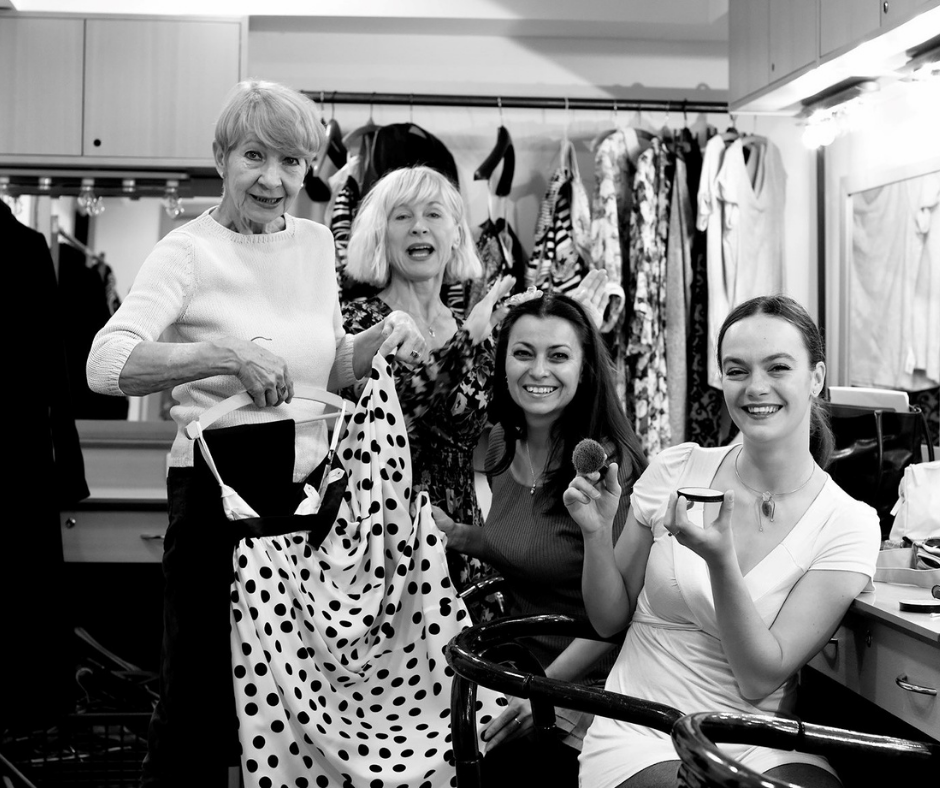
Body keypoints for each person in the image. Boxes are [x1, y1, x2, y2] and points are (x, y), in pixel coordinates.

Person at [86, 79, 425, 788]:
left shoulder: (313, 244)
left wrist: (377, 342)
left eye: (291, 162)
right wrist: (223, 355)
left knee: (291, 702)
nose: (273, 179)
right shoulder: (187, 253)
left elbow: (326, 368)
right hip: (215, 490)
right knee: (198, 702)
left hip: (304, 492)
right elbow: (105, 365)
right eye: (254, 156)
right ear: (221, 158)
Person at [564, 294, 882, 788]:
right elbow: (608, 619)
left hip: (761, 737)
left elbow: (759, 677)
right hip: (645, 727)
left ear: (816, 377)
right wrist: (596, 533)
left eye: (778, 367)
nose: (756, 387)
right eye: (737, 370)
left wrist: (720, 561)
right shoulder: (678, 468)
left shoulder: (848, 523)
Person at [432, 292, 648, 785]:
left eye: (558, 356)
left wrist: (542, 690)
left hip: (592, 680)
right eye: (524, 353)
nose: (539, 370)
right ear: (503, 364)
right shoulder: (502, 444)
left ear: (584, 369)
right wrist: (459, 535)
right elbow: (526, 545)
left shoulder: (607, 468)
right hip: (519, 664)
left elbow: (621, 613)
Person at [342, 165, 515, 620]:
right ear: (381, 236)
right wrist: (468, 342)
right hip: (380, 541)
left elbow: (513, 425)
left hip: (462, 543)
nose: (419, 226)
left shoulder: (476, 327)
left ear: (455, 235)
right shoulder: (357, 323)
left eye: (433, 214)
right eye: (402, 216)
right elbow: (392, 414)